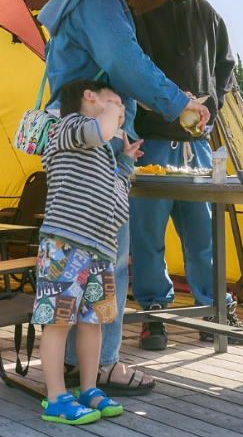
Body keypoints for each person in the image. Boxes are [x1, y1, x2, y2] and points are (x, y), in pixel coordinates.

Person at [38, 0, 210, 395]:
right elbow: (125, 61)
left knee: (84, 256)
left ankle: (80, 365)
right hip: (96, 145)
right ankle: (106, 365)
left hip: (77, 142)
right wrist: (179, 103)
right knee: (108, 260)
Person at [130, 0, 243, 350]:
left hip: (198, 146)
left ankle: (213, 308)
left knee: (203, 236)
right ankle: (153, 313)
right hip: (152, 145)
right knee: (148, 237)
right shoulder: (139, 8)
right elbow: (132, 69)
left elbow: (225, 66)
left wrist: (212, 101)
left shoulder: (209, 14)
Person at [33, 80, 141, 424]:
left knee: (93, 322)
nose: (120, 109)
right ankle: (55, 398)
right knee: (58, 322)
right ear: (89, 98)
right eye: (115, 101)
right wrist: (113, 115)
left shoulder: (98, 149)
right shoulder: (67, 128)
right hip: (65, 247)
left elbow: (115, 189)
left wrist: (124, 161)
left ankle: (89, 388)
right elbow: (102, 127)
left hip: (99, 250)